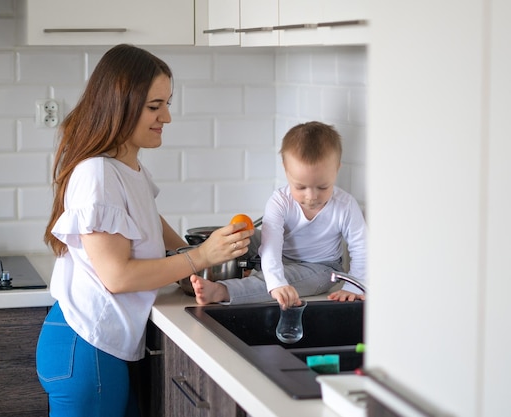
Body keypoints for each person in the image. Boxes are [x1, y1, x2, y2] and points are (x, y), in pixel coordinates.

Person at [35, 44, 254, 417]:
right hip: (86, 346)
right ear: (120, 105)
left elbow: (150, 221)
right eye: (155, 106)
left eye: (167, 103)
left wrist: (197, 269)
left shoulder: (126, 167)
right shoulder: (98, 173)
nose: (166, 116)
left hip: (96, 345)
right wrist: (200, 256)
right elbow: (117, 276)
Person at [191, 121, 367, 309]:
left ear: (336, 170)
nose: (311, 197)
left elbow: (362, 248)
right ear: (286, 170)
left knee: (287, 280)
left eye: (323, 187)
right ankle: (194, 266)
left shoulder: (345, 205)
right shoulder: (280, 201)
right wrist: (276, 276)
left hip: (320, 267)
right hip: (278, 252)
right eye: (301, 187)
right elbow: (271, 246)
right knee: (242, 236)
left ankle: (223, 290)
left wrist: (354, 287)